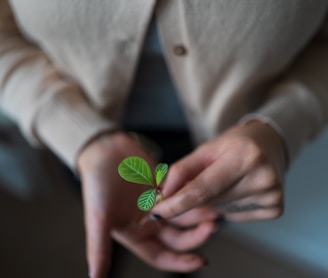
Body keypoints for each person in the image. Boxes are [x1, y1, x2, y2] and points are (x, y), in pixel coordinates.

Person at [1, 1, 328, 277]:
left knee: (195, 234)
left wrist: (279, 126)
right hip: (82, 144)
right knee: (110, 226)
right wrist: (78, 135)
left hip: (225, 154)